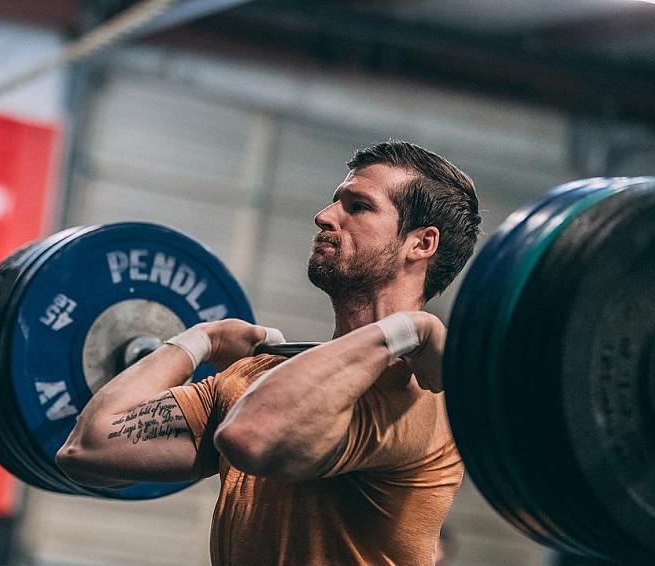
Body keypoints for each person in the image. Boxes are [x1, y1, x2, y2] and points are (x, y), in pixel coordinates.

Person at [56, 140, 482, 566]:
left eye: (357, 206)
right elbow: (87, 448)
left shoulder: (419, 400)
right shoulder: (260, 376)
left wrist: (404, 329)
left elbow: (253, 435)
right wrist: (204, 339)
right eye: (335, 201)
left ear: (421, 244)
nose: (324, 216)